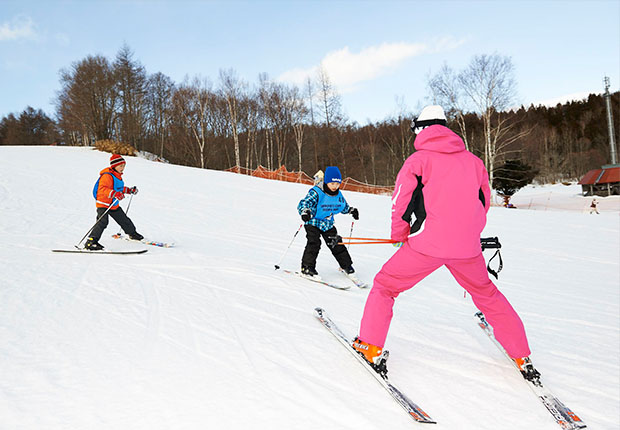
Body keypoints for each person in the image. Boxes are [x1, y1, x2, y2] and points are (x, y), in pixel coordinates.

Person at [353, 106, 537, 381]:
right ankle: (521, 354)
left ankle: (370, 346)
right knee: (487, 294)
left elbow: (400, 202)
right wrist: (468, 231)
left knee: (385, 286)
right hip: (467, 248)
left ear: (421, 130)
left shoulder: (418, 161)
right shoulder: (474, 161)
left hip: (426, 245)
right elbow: (483, 203)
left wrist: (399, 235)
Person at [297, 166, 359, 278]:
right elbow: (305, 203)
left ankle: (346, 265)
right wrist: (305, 212)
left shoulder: (338, 195)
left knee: (336, 243)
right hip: (313, 222)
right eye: (332, 184)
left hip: (327, 223)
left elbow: (343, 206)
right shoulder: (317, 192)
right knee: (314, 243)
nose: (335, 186)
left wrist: (351, 210)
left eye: (337, 184)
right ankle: (307, 268)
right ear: (326, 182)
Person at [85, 154, 143, 250]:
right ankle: (91, 242)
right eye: (121, 166)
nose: (123, 168)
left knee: (123, 219)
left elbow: (119, 188)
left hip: (113, 204)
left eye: (124, 166)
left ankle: (132, 234)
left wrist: (129, 190)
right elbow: (102, 189)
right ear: (114, 166)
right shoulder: (107, 176)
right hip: (103, 203)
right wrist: (114, 193)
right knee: (102, 222)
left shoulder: (118, 176)